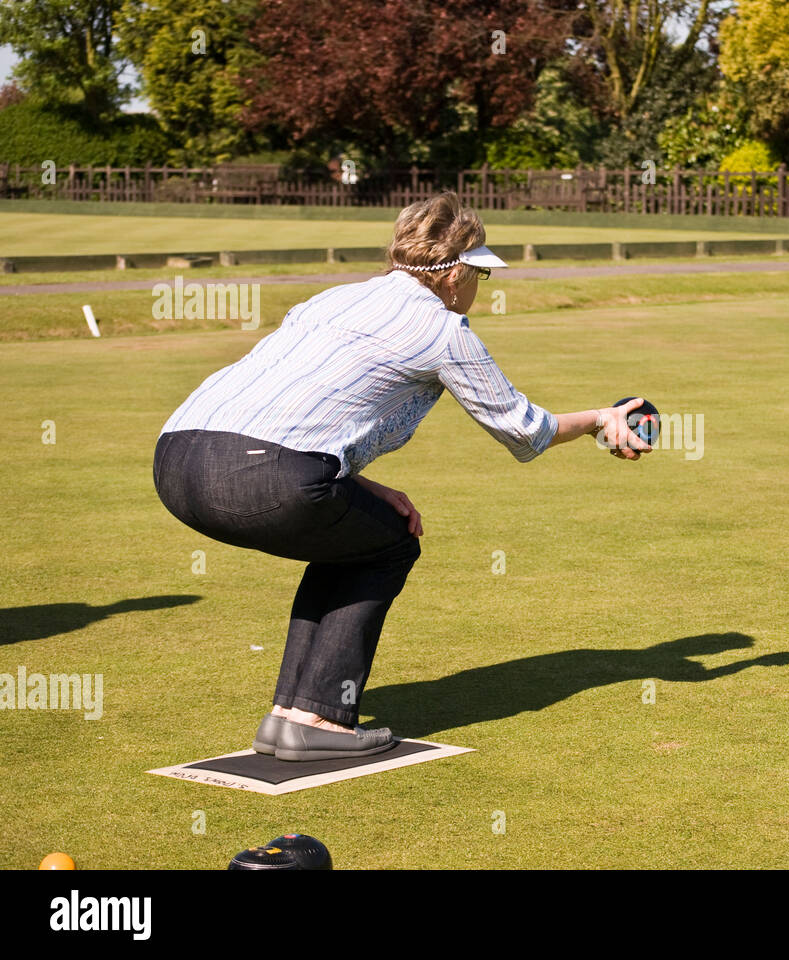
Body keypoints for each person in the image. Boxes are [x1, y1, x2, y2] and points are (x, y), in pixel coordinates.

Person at [152, 192, 650, 761]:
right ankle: (316, 716)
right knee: (387, 547)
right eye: (480, 277)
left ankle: (289, 719)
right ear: (455, 273)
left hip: (175, 461)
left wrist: (362, 486)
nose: (478, 292)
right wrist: (599, 421)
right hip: (263, 475)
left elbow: (290, 417)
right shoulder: (443, 330)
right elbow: (525, 431)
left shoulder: (331, 300)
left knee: (357, 536)